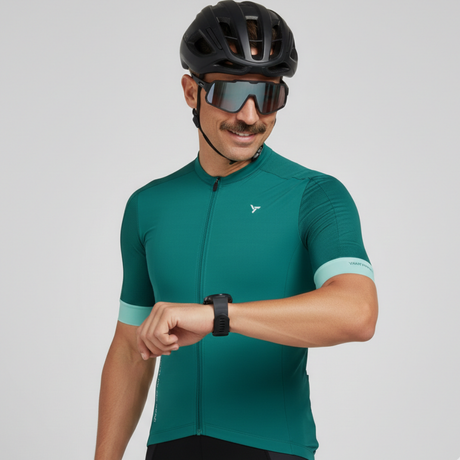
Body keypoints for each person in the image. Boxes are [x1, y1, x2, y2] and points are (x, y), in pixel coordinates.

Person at [95, 1, 378, 459]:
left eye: (267, 96)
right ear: (191, 91)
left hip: (271, 448)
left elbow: (358, 312)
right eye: (231, 93)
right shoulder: (148, 205)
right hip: (169, 449)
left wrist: (217, 316)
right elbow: (130, 347)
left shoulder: (316, 195)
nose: (249, 116)